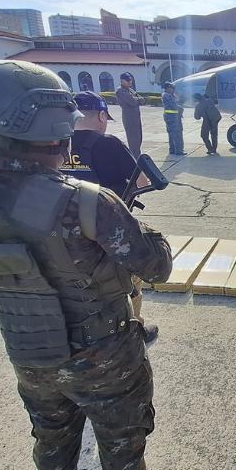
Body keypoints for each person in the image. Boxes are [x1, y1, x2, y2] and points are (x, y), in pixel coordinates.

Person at [0, 60, 192, 470]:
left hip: (30, 353)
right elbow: (157, 266)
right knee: (121, 437)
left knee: (51, 435)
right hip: (105, 354)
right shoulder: (86, 200)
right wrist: (138, 224)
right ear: (56, 126)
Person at [61, 90, 159, 344]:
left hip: (59, 229)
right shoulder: (108, 144)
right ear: (102, 116)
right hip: (106, 228)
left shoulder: (56, 144)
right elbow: (142, 180)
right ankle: (134, 330)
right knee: (131, 277)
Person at [115, 72, 144, 159]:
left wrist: (138, 99)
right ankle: (135, 161)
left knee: (139, 139)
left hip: (136, 118)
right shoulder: (120, 90)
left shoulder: (130, 90)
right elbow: (133, 101)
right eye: (127, 80)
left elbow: (142, 100)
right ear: (122, 81)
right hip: (129, 118)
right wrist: (138, 99)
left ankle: (137, 158)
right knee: (133, 142)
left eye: (130, 80)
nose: (130, 82)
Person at [161, 82, 185, 156]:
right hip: (173, 117)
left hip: (172, 117)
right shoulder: (167, 96)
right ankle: (179, 150)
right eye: (172, 88)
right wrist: (181, 108)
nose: (173, 90)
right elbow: (174, 106)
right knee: (176, 134)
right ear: (168, 88)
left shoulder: (169, 95)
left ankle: (172, 149)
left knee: (172, 134)